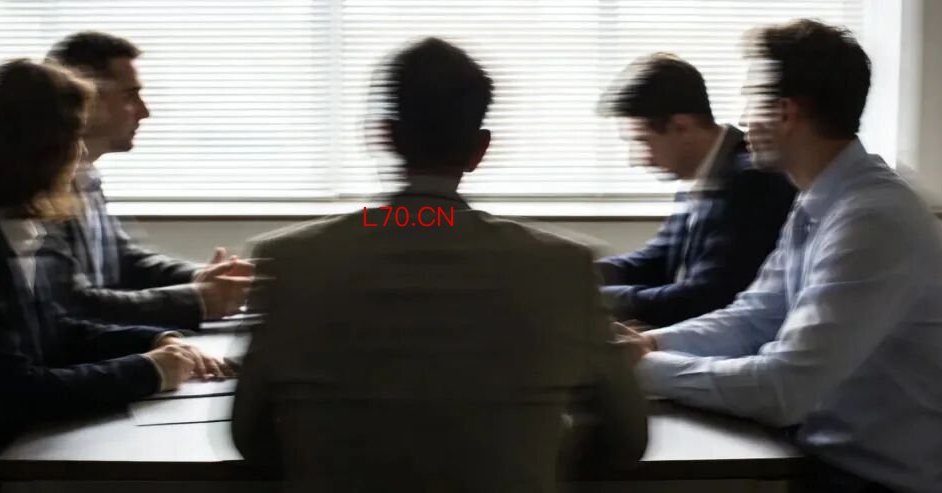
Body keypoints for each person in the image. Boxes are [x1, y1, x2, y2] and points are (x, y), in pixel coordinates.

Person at [231, 38, 647, 493]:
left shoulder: (290, 260)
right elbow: (627, 441)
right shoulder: (563, 266)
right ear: (480, 149)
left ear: (385, 136)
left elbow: (250, 439)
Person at [619, 19, 942, 493]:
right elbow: (754, 318)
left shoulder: (873, 219)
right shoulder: (820, 200)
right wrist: (653, 344)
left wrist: (638, 368)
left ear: (786, 112)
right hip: (818, 460)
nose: (741, 117)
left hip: (874, 480)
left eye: (750, 98)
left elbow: (783, 390)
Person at [0, 59, 231, 492]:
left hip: (11, 444)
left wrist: (153, 341)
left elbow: (56, 330)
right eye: (74, 138)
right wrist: (148, 371)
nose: (80, 154)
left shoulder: (12, 221)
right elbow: (13, 391)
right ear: (42, 148)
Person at [42, 31, 250, 331]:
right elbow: (73, 303)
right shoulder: (35, 187)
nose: (144, 112)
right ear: (85, 99)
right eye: (130, 96)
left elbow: (123, 261)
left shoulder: (85, 175)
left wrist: (202, 278)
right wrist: (197, 299)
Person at [596, 53, 796, 327]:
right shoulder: (702, 172)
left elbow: (707, 298)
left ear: (683, 127)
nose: (637, 159)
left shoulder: (752, 181)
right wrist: (580, 274)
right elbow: (658, 260)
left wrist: (595, 298)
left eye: (642, 141)